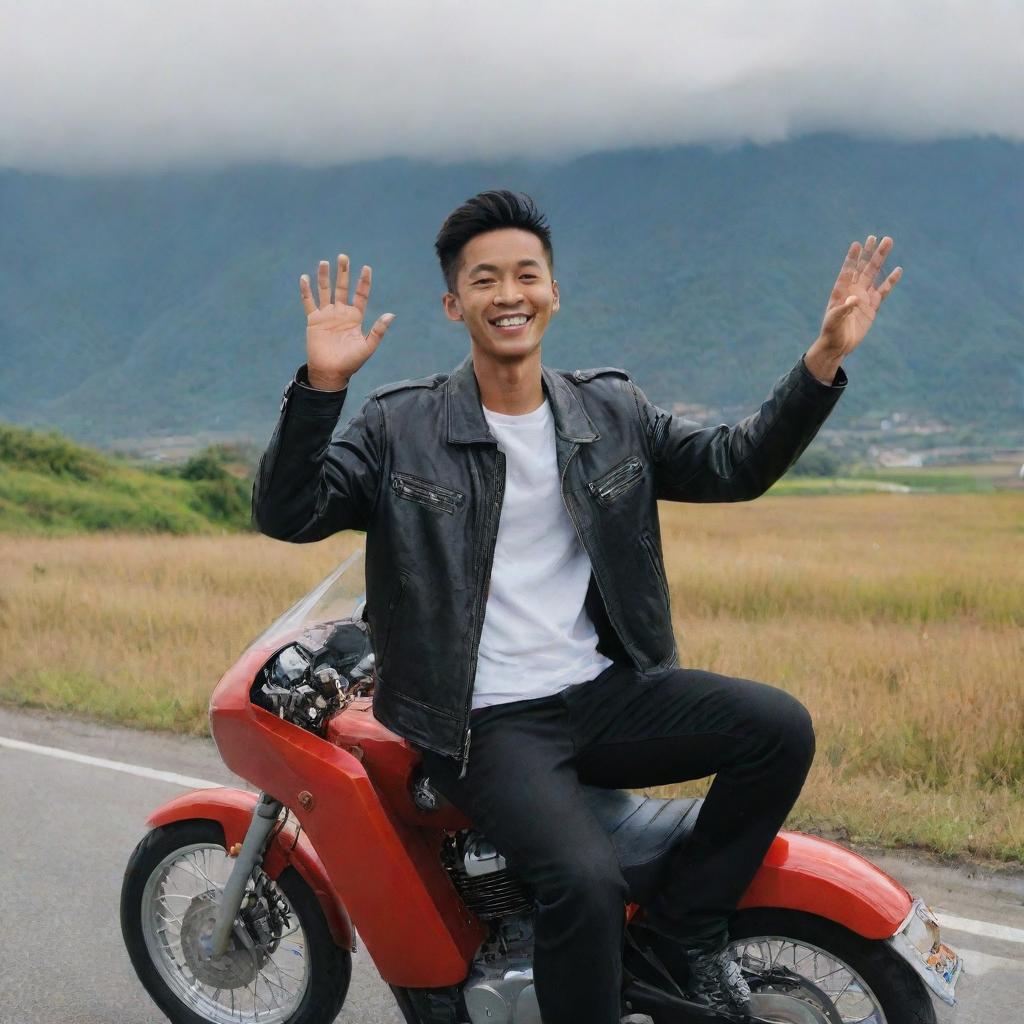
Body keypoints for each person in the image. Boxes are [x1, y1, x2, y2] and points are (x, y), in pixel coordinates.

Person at [252, 190, 902, 1023]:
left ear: (554, 293)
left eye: (527, 275)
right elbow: (289, 513)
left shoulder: (611, 412)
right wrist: (320, 388)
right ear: (455, 305)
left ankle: (682, 931)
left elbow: (734, 466)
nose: (509, 293)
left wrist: (820, 364)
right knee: (583, 882)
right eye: (485, 280)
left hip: (601, 695)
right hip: (483, 721)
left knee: (777, 729)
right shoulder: (398, 427)